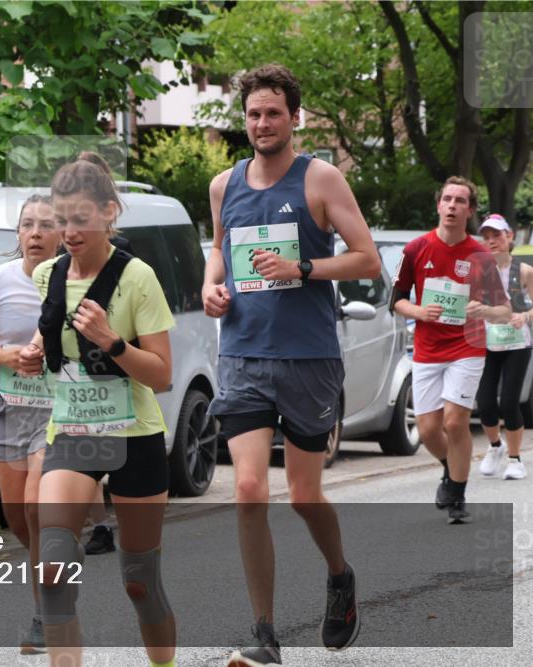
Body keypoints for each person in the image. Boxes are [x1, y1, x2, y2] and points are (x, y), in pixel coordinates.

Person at [201, 64, 381, 667]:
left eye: (273, 112)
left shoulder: (321, 178)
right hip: (243, 353)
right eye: (253, 113)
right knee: (249, 489)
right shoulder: (224, 184)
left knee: (304, 495)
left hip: (308, 357)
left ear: (294, 118)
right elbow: (220, 257)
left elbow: (366, 260)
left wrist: (304, 268)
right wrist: (211, 290)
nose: (262, 123)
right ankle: (264, 634)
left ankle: (339, 575)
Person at [18, 152, 177, 667]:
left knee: (139, 582)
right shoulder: (47, 276)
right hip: (75, 432)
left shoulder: (138, 279)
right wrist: (34, 355)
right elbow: (55, 349)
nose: (68, 231)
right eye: (61, 220)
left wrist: (112, 341)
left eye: (79, 220)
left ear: (109, 213)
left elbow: (162, 374)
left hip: (135, 435)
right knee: (54, 569)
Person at [0, 194, 62, 654]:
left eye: (45, 225)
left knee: (37, 508)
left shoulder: (72, 280)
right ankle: (53, 569)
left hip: (57, 410)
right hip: (7, 404)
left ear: (62, 234)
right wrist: (6, 356)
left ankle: (47, 616)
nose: (36, 233)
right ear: (18, 234)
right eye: (28, 225)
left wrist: (45, 350)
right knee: (17, 517)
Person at [392, 178, 510, 525]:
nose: (453, 205)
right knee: (428, 430)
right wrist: (418, 312)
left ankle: (457, 494)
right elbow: (395, 300)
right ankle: (450, 471)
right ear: (438, 205)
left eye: (460, 201)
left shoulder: (481, 255)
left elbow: (504, 309)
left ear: (469, 210)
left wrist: (483, 311)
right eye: (447, 199)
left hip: (467, 346)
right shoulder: (415, 249)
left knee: (455, 421)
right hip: (428, 348)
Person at [475, 214, 530, 480]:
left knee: (509, 402)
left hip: (518, 344)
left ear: (510, 236)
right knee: (485, 402)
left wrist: (525, 316)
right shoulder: (480, 272)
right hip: (488, 343)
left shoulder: (524, 271)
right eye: (486, 237)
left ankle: (516, 459)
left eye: (496, 235)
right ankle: (496, 447)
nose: (491, 241)